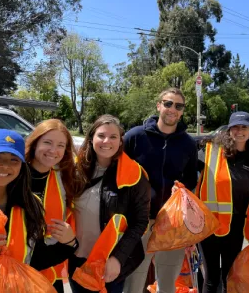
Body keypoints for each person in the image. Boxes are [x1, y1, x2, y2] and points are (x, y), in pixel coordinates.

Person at [195, 111, 249, 293]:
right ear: (229, 131)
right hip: (210, 225)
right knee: (211, 277)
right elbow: (191, 172)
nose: (239, 131)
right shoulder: (211, 151)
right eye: (235, 127)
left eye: (244, 127)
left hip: (236, 226)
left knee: (231, 275)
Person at [123, 87, 198, 293]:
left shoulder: (188, 144)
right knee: (134, 282)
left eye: (178, 106)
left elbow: (191, 182)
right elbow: (118, 174)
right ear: (159, 106)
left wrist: (182, 192)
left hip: (172, 223)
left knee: (167, 284)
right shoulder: (135, 136)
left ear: (182, 111)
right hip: (140, 221)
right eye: (168, 103)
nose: (172, 109)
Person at [69, 114, 151, 293]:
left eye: (113, 137)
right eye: (101, 136)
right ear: (91, 139)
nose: (107, 141)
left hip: (109, 262)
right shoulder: (75, 170)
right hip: (76, 259)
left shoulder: (134, 174)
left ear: (121, 141)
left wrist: (118, 258)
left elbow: (140, 222)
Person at [0, 129, 78, 273]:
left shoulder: (30, 204)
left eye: (14, 159)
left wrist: (69, 244)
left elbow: (34, 259)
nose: (5, 165)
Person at [25, 119, 82, 293]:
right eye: (47, 142)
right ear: (35, 144)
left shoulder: (65, 176)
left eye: (60, 145)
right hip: (18, 265)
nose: (53, 150)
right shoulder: (15, 174)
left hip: (51, 262)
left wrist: (70, 242)